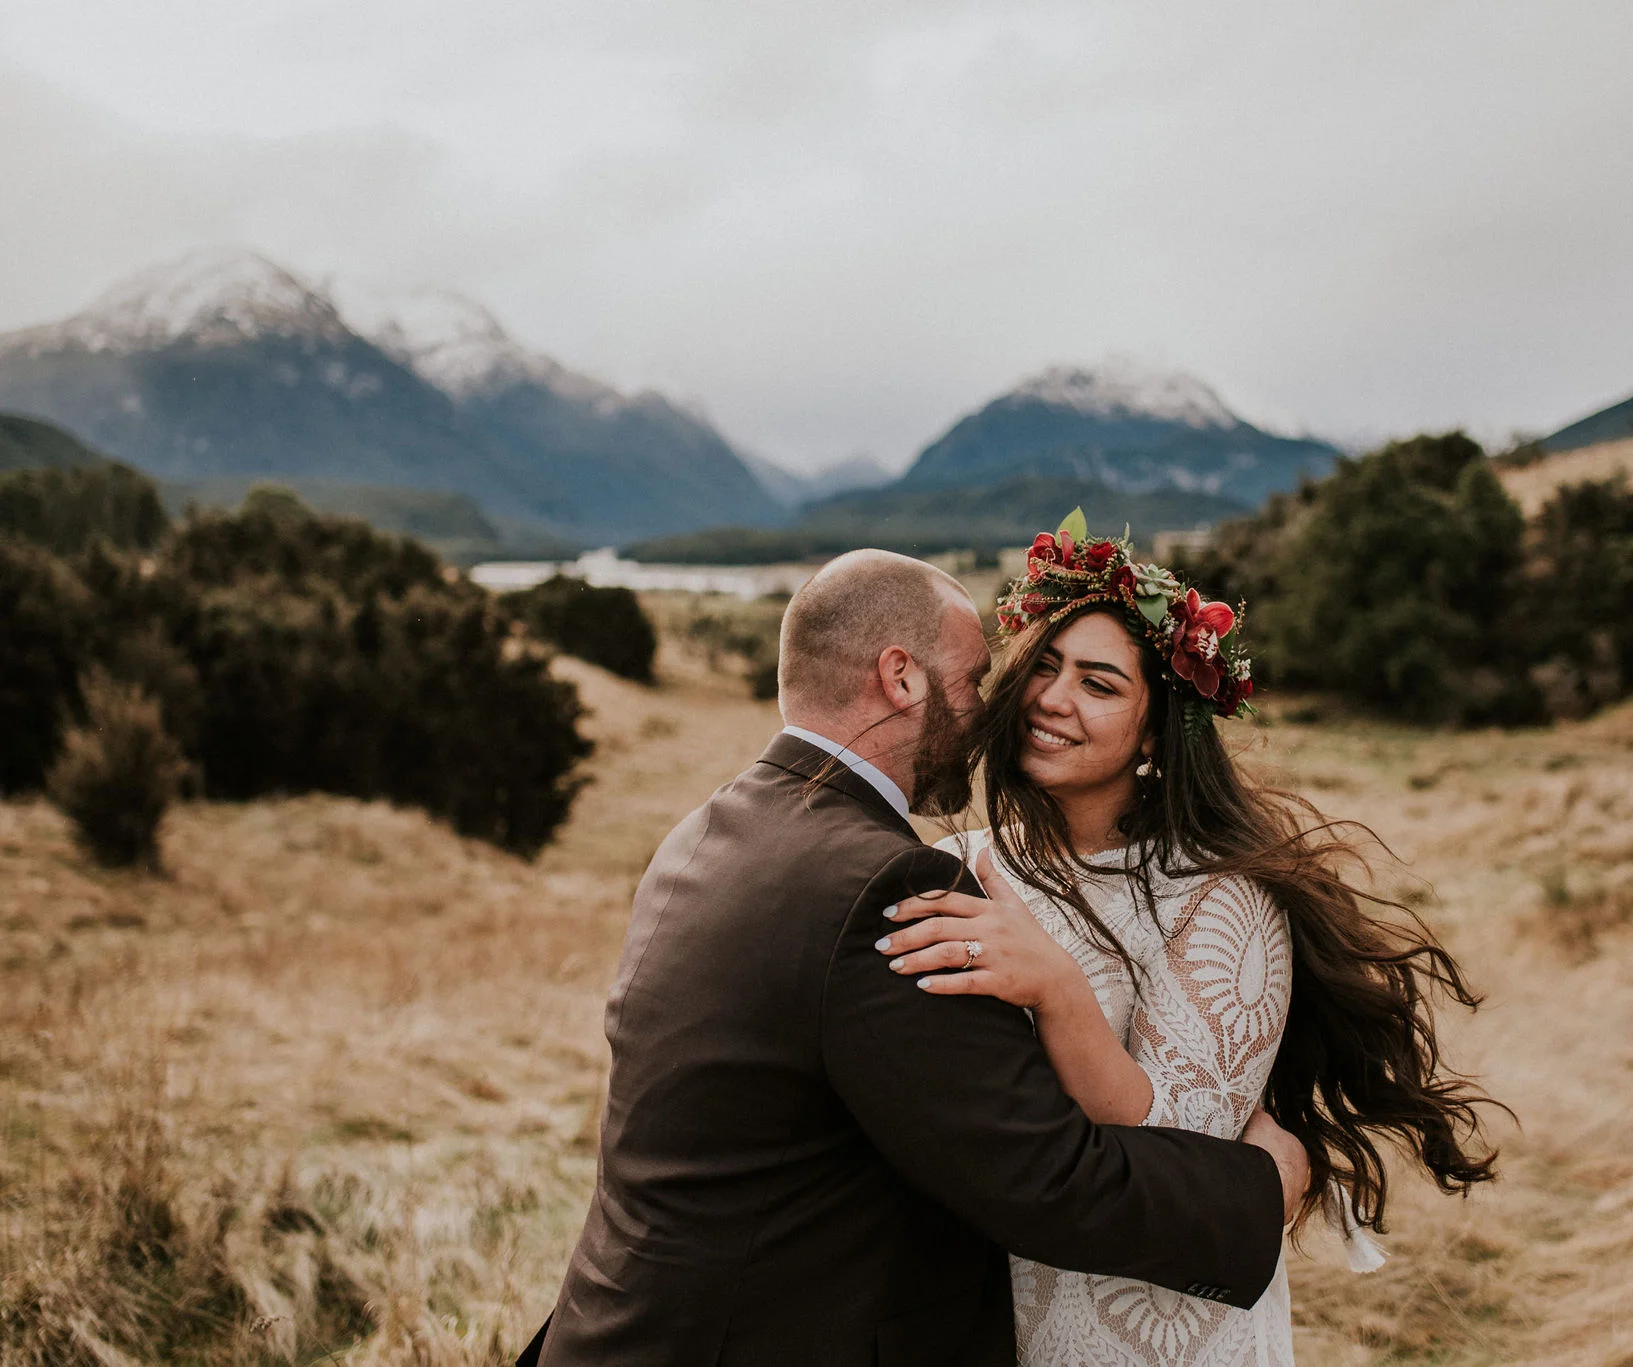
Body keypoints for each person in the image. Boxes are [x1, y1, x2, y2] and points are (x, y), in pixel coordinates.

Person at [519, 548, 1312, 1367]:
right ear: (902, 679)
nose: (1007, 705)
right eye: (981, 679)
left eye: (1098, 683)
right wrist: (1266, 1188)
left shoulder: (708, 833)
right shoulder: (890, 882)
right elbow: (1048, 1178)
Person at [874, 518, 1503, 1365]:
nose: (1054, 699)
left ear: (1154, 734)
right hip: (988, 1321)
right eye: (1047, 667)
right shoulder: (953, 868)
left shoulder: (1221, 896)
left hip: (1165, 1331)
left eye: (1100, 684)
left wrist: (1057, 989)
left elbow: (1185, 1163)